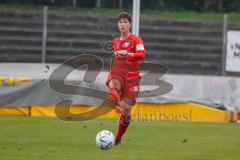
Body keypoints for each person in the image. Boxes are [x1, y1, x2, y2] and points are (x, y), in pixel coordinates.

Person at [106, 12, 147, 145]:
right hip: (117, 73)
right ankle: (114, 98)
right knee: (114, 86)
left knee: (126, 110)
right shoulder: (116, 41)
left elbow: (142, 55)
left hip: (132, 77)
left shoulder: (136, 39)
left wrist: (127, 53)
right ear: (118, 25)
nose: (122, 24)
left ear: (130, 24)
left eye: (125, 21)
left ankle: (117, 139)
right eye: (120, 22)